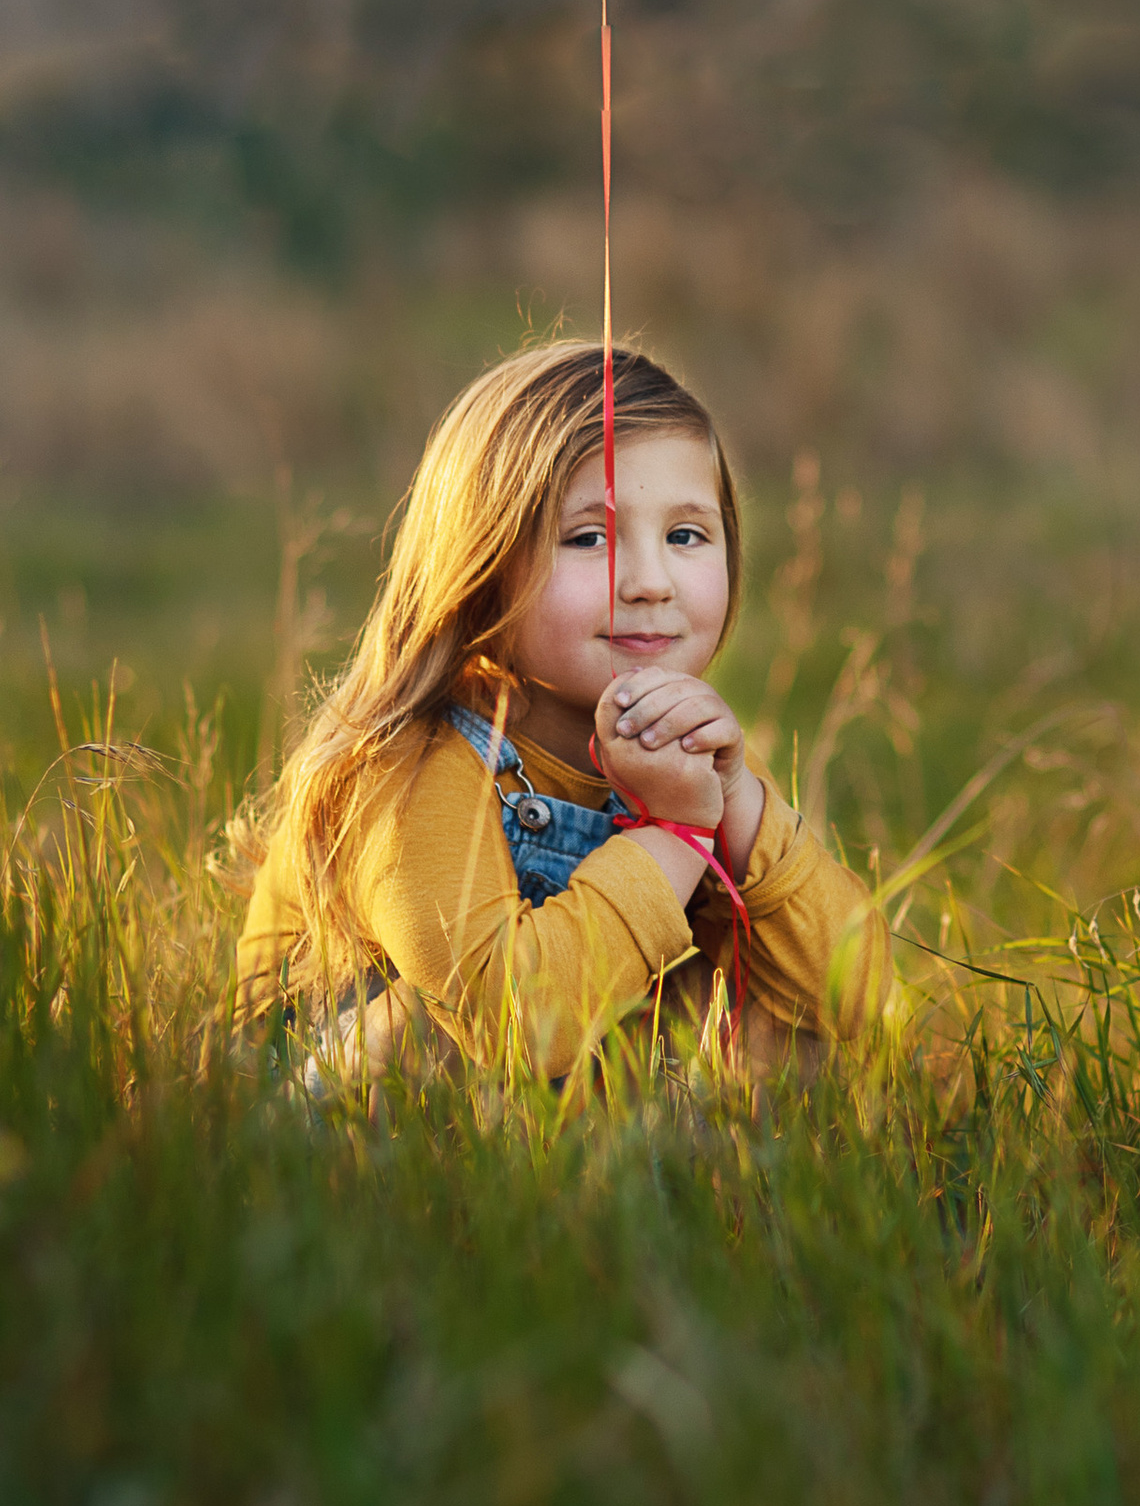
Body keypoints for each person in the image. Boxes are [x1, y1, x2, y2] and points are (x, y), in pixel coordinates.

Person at [234, 340, 891, 1083]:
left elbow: (862, 1005)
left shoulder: (688, 751)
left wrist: (734, 803)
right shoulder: (410, 763)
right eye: (588, 538)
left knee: (776, 1010)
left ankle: (695, 1186)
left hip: (554, 1124)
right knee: (422, 1025)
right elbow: (512, 1025)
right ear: (480, 565)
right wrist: (675, 834)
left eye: (685, 535)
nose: (649, 582)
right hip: (331, 1136)